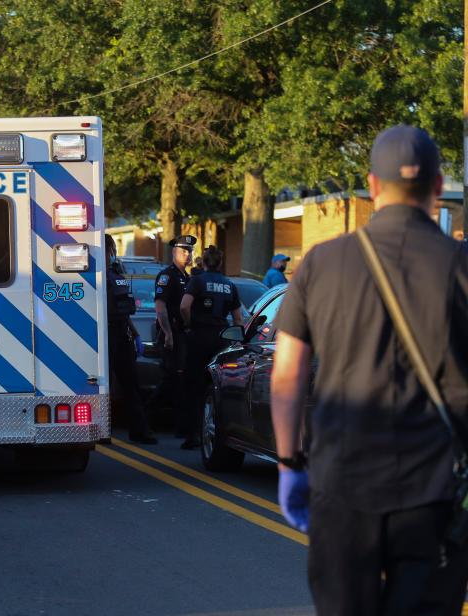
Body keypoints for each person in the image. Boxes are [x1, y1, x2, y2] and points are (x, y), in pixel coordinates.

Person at [271, 125, 468, 614]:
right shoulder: (461, 264)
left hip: (342, 482)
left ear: (373, 185)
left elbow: (288, 373)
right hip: (436, 489)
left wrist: (288, 462)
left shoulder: (320, 263)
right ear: (438, 186)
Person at [179, 245, 243, 450]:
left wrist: (188, 324)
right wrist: (237, 339)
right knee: (216, 386)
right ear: (220, 263)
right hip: (221, 339)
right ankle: (219, 433)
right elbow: (238, 317)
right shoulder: (229, 285)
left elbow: (184, 306)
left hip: (198, 337)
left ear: (204, 262)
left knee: (193, 386)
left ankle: (193, 435)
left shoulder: (197, 281)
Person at [105, 235, 156, 444]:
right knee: (105, 387)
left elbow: (123, 311)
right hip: (105, 334)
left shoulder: (116, 273)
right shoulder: (96, 276)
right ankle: (103, 430)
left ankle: (139, 430)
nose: (112, 254)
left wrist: (135, 334)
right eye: (110, 249)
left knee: (130, 384)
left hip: (120, 331)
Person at [151, 234, 196, 437]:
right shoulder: (167, 276)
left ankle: (181, 426)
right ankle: (146, 417)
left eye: (190, 251)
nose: (188, 254)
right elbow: (160, 307)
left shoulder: (186, 277)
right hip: (170, 334)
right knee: (170, 378)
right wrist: (168, 333)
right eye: (184, 251)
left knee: (178, 379)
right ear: (174, 252)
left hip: (181, 334)